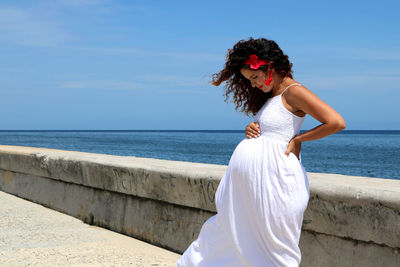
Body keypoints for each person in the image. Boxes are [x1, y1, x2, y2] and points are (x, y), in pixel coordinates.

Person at [176, 37, 345, 267]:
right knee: (228, 236)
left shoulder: (294, 91)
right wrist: (253, 128)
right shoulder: (273, 97)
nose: (253, 84)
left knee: (274, 247)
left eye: (254, 77)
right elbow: (274, 129)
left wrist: (299, 139)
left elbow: (335, 122)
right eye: (249, 80)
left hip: (277, 185)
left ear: (271, 68)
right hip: (254, 190)